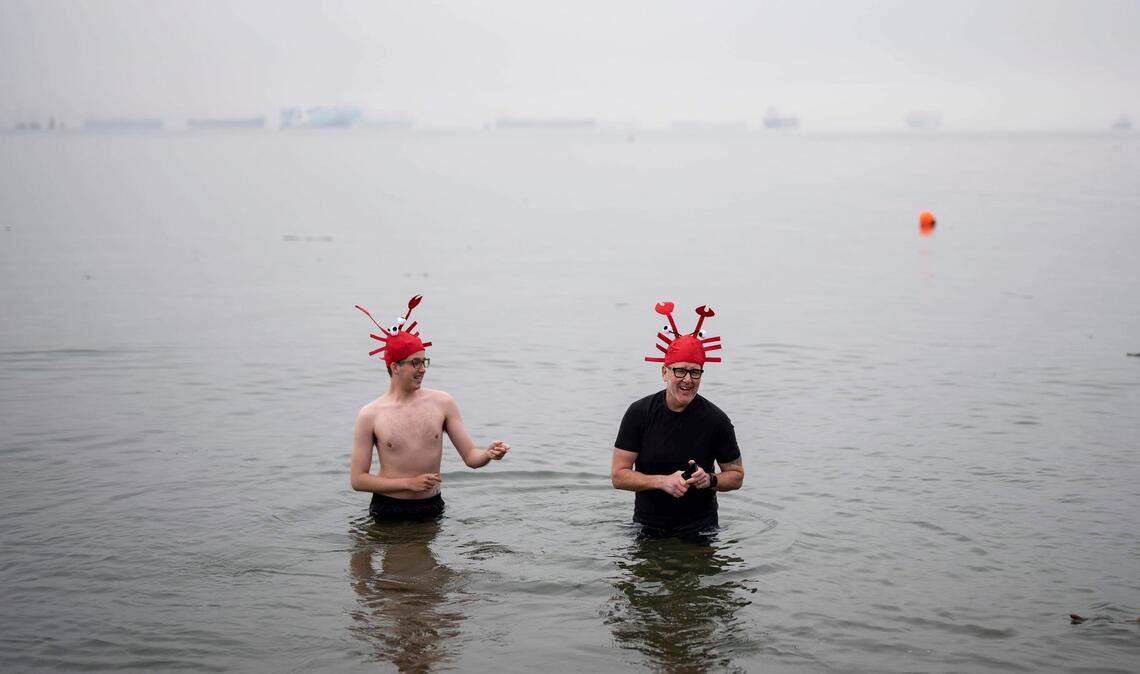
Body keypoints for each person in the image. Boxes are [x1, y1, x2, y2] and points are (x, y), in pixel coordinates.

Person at [350, 294, 509, 520]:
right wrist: (408, 484)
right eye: (415, 363)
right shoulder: (370, 415)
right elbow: (358, 480)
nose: (422, 369)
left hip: (432, 506)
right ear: (395, 367)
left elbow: (471, 457)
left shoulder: (442, 402)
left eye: (424, 362)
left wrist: (488, 454)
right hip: (389, 509)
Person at [611, 301, 743, 538]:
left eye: (695, 371)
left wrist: (710, 480)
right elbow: (619, 475)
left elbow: (735, 476)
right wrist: (662, 482)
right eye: (680, 370)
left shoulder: (717, 420)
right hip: (648, 527)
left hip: (701, 530)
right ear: (664, 372)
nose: (688, 379)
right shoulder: (639, 413)